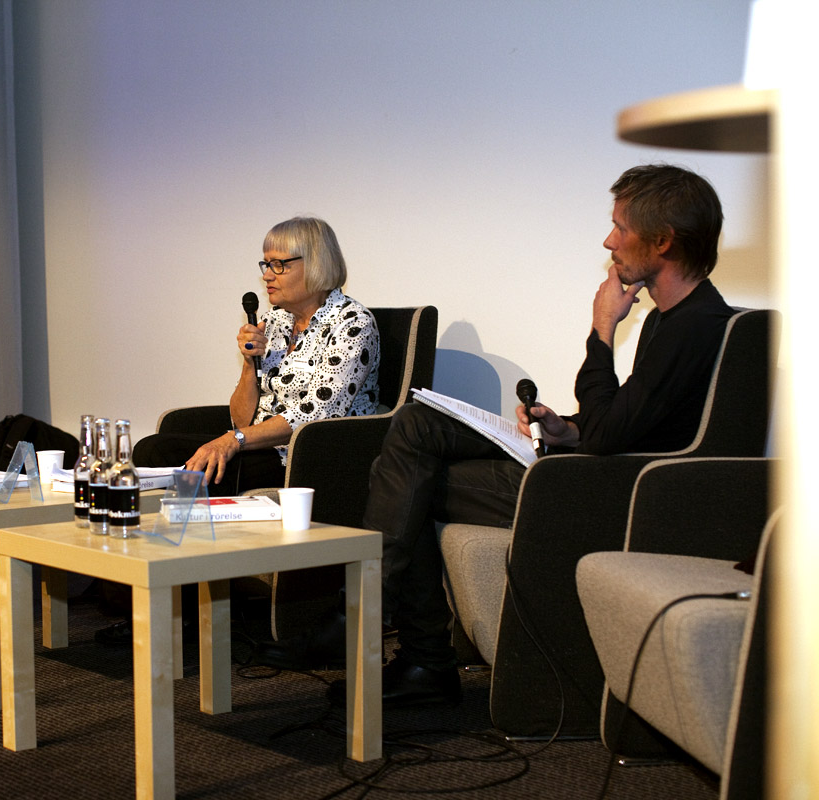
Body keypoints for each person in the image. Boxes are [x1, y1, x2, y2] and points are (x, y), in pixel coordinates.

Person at [257, 164, 736, 710]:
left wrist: (602, 329)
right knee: (415, 428)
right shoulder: (675, 320)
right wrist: (567, 428)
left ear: (663, 241)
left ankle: (399, 642)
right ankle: (398, 644)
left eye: (621, 228)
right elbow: (625, 421)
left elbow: (612, 436)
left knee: (405, 479)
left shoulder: (694, 326)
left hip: (608, 493)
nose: (609, 241)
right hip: (594, 468)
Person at [94, 216, 382, 645]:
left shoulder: (352, 323)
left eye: (279, 264)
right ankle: (158, 601)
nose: (268, 275)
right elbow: (242, 418)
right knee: (155, 450)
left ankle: (181, 618)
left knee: (204, 472)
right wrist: (249, 364)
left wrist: (234, 442)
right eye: (265, 264)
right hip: (261, 446)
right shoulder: (275, 322)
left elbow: (311, 418)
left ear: (316, 264)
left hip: (310, 460)